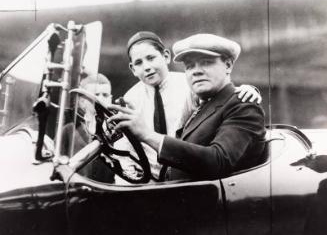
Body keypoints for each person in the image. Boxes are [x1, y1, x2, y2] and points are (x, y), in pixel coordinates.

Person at [108, 33, 266, 181]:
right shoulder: (205, 102)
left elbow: (218, 161)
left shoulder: (242, 104)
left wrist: (147, 134)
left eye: (206, 62)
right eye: (190, 66)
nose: (196, 71)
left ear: (228, 65)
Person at [61, 73, 114, 182]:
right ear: (82, 102)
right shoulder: (68, 131)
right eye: (95, 95)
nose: (100, 99)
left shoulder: (117, 131)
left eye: (105, 95)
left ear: (111, 99)